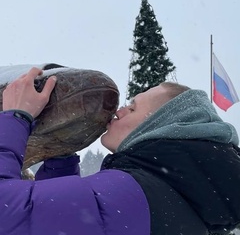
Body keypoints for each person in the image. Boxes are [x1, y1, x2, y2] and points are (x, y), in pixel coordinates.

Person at [0, 67, 240, 235]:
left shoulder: (129, 194)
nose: (119, 111)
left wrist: (15, 117)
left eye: (132, 108)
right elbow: (62, 224)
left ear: (158, 126)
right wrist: (61, 157)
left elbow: (7, 214)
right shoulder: (176, 207)